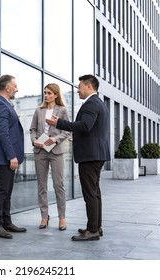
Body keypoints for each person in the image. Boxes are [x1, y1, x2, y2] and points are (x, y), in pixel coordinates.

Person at [46, 74, 110, 241]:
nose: (77, 89)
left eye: (79, 86)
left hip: (90, 156)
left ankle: (93, 230)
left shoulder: (91, 104)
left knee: (90, 193)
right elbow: (92, 130)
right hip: (96, 153)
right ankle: (95, 227)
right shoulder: (99, 103)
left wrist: (58, 123)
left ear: (88, 86)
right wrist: (79, 137)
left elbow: (85, 125)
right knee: (95, 193)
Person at [0, 74, 27, 239]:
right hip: (2, 158)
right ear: (7, 87)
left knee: (7, 191)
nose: (17, 89)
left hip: (6, 158)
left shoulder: (4, 104)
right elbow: (3, 134)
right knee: (1, 192)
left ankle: (6, 221)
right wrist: (12, 156)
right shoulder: (0, 105)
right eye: (15, 86)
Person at [30, 83, 71, 231]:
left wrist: (55, 139)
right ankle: (44, 216)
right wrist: (35, 141)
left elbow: (67, 131)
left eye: (49, 93)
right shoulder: (38, 111)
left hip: (56, 152)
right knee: (42, 186)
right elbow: (32, 129)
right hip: (40, 151)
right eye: (45, 92)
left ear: (55, 95)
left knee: (58, 185)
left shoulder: (63, 110)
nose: (46, 95)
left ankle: (62, 218)